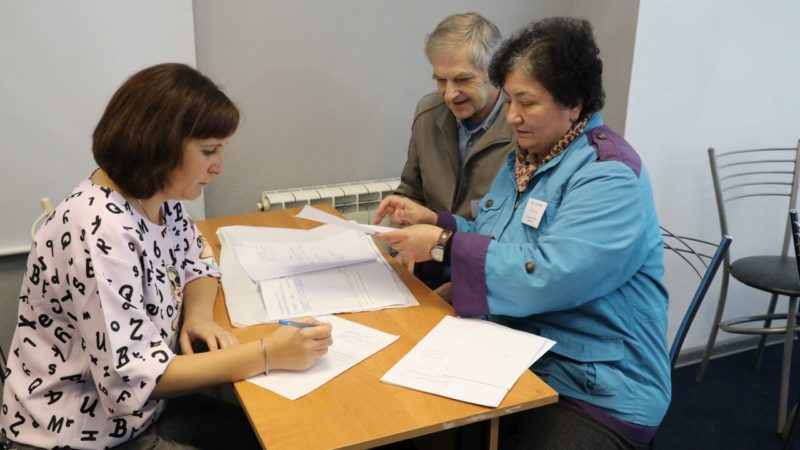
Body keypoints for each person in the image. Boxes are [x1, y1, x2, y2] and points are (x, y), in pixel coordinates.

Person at [0, 63, 333, 450]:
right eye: (209, 151)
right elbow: (131, 382)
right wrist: (266, 353)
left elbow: (199, 261)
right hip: (79, 435)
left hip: (145, 411)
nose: (219, 167)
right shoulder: (98, 228)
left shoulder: (154, 194)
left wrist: (199, 316)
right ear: (158, 144)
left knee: (281, 433)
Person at [374, 17, 670, 450]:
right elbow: (496, 235)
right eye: (509, 100)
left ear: (573, 103)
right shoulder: (529, 155)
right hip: (522, 344)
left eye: (525, 103)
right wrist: (441, 223)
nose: (511, 116)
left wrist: (443, 246)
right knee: (411, 418)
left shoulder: (610, 176)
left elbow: (552, 274)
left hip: (597, 381)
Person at [395, 12, 513, 221]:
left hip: (485, 249)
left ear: (496, 68)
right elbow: (411, 193)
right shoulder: (428, 112)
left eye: (463, 79)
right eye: (440, 80)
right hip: (427, 248)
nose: (449, 95)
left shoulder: (522, 126)